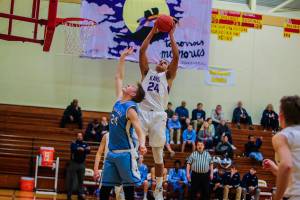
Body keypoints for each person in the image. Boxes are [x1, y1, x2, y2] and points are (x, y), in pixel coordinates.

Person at [99, 48, 147, 200]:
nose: (129, 84)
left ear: (133, 94)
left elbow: (139, 129)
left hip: (126, 153)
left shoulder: (130, 109)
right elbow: (118, 77)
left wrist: (143, 144)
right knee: (105, 188)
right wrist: (122, 57)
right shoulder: (120, 98)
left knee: (128, 189)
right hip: (111, 152)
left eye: (132, 86)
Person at [139, 21, 179, 200]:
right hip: (141, 112)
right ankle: (125, 182)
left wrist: (171, 34)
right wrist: (153, 31)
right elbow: (142, 51)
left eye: (165, 61)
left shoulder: (168, 77)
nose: (163, 62)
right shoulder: (147, 72)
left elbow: (176, 58)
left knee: (157, 154)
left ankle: (159, 187)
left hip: (157, 116)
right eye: (161, 60)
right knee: (133, 147)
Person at [263, 95, 300, 200]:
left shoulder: (282, 136)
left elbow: (286, 165)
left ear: (281, 116)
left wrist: (277, 198)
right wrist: (275, 169)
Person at [93, 133, 124, 200]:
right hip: (107, 168)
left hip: (120, 169)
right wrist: (95, 169)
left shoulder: (124, 134)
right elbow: (99, 153)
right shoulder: (106, 136)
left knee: (120, 196)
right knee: (103, 194)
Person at [66, 133, 90, 200]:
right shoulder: (73, 143)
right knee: (71, 180)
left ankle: (80, 195)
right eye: (78, 136)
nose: (79, 137)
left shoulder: (85, 143)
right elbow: (73, 149)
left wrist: (82, 149)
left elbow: (88, 151)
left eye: (81, 136)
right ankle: (69, 195)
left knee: (81, 180)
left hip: (82, 164)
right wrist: (81, 149)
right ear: (76, 137)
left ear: (82, 137)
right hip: (74, 163)